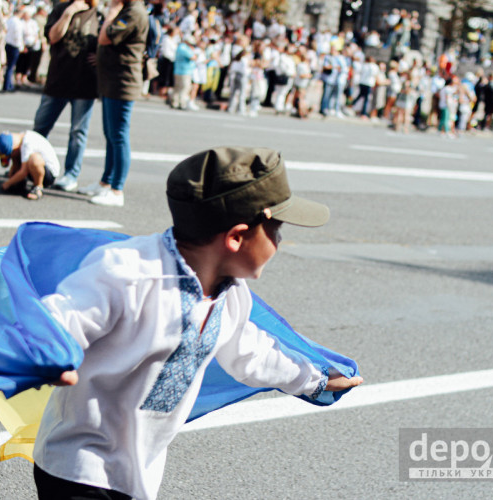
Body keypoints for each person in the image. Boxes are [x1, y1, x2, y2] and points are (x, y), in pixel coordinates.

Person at [33, 146, 364, 500]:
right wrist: (46, 355)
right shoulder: (128, 273)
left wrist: (316, 378)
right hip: (78, 467)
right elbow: (58, 319)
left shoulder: (230, 295)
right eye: (275, 229)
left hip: (138, 473)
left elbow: (252, 354)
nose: (281, 241)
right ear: (236, 237)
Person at [78, 0, 148, 207]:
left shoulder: (133, 12)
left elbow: (105, 37)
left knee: (118, 136)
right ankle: (105, 182)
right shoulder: (128, 10)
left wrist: (112, 11)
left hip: (123, 83)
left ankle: (117, 190)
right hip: (112, 81)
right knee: (110, 134)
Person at [32, 0, 100, 193]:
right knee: (40, 127)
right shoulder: (61, 9)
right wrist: (68, 14)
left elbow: (108, 41)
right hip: (58, 79)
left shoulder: (99, 14)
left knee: (78, 133)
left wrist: (100, 56)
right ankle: (29, 164)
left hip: (85, 83)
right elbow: (53, 37)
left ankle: (71, 174)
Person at [0, 130, 60, 200]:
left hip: (48, 174)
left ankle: (38, 187)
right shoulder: (20, 138)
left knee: (34, 159)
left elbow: (23, 172)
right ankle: (20, 183)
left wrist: (7, 184)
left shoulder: (27, 144)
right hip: (33, 169)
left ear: (13, 149)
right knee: (18, 160)